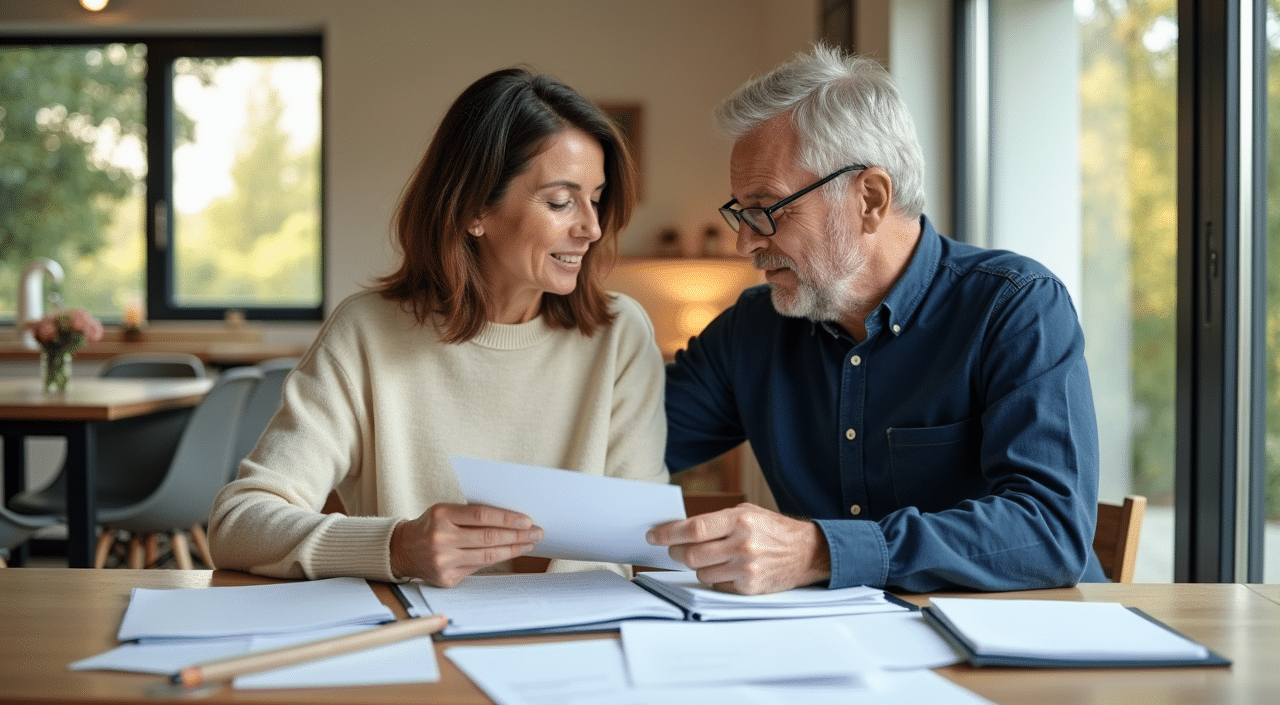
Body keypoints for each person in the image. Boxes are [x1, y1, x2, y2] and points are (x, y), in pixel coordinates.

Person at [647, 45, 1104, 595]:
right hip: (844, 652)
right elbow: (628, 439)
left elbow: (1049, 532)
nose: (745, 242)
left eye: (767, 209)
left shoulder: (1017, 307)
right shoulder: (753, 330)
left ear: (869, 197)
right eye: (741, 213)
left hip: (1017, 652)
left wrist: (819, 551)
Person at [210, 67, 667, 587]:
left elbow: (640, 537)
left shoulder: (621, 335)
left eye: (597, 197)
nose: (592, 227)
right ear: (475, 208)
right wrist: (397, 546)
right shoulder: (367, 333)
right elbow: (238, 524)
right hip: (417, 647)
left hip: (579, 645)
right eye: (561, 202)